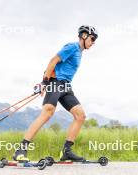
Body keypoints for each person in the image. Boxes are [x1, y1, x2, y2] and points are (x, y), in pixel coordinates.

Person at [13, 25, 98, 162]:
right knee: (48, 112)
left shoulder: (80, 52)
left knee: (80, 116)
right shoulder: (72, 47)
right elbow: (53, 61)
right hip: (55, 82)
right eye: (92, 39)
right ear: (83, 36)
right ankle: (20, 150)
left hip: (66, 86)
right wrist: (44, 82)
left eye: (95, 40)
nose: (93, 42)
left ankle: (67, 151)